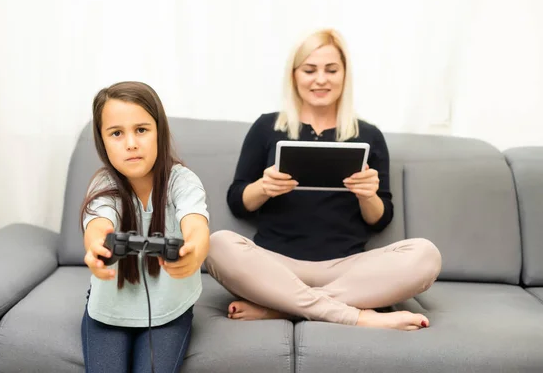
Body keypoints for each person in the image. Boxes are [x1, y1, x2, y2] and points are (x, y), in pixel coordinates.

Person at [205, 28, 442, 331]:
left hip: (346, 269)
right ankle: (357, 315)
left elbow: (380, 220)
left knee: (425, 255)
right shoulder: (266, 127)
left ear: (344, 75)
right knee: (216, 244)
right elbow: (238, 202)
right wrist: (263, 188)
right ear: (294, 75)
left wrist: (368, 195)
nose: (321, 80)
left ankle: (280, 309)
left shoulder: (368, 135)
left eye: (331, 70)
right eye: (310, 70)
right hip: (276, 265)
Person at [80, 81, 210, 372]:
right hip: (108, 311)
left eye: (141, 130)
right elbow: (99, 225)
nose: (131, 143)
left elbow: (196, 224)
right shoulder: (104, 184)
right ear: (102, 141)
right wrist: (96, 248)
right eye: (116, 133)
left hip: (169, 311)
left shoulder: (182, 180)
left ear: (159, 132)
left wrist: (195, 253)